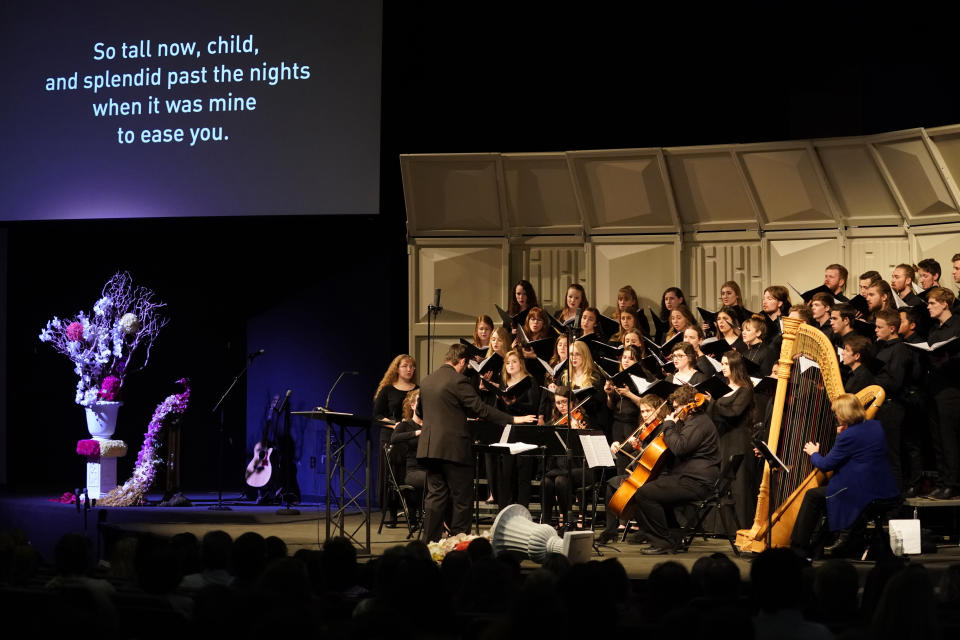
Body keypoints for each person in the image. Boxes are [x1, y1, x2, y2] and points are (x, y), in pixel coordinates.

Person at [416, 344, 536, 542]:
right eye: (467, 365)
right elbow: (481, 409)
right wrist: (513, 419)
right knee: (462, 499)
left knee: (435, 497)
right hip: (454, 449)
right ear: (462, 361)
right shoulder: (459, 380)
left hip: (429, 448)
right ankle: (458, 545)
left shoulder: (427, 380)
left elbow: (421, 412)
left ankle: (428, 545)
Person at [595, 385, 721, 553]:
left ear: (688, 405)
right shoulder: (693, 422)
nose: (675, 412)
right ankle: (673, 536)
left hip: (696, 482)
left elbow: (679, 447)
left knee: (643, 494)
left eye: (676, 408)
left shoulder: (698, 423)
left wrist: (668, 424)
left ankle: (664, 541)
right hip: (689, 478)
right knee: (648, 491)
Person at [790, 394, 899, 558]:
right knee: (826, 495)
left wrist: (814, 453)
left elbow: (826, 464)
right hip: (885, 488)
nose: (835, 417)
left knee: (812, 496)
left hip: (863, 491)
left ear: (843, 414)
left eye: (836, 413)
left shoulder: (848, 436)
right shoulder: (875, 427)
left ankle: (799, 548)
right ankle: (819, 545)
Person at [706, 351, 757, 530]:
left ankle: (741, 527)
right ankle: (721, 528)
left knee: (739, 485)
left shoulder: (745, 390)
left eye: (726, 364)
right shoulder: (722, 389)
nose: (723, 367)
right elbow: (713, 415)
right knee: (723, 483)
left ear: (735, 366)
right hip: (722, 439)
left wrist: (713, 402)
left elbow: (733, 413)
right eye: (722, 363)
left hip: (738, 440)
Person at [923, 287, 960, 499]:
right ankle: (943, 480)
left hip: (952, 389)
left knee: (949, 439)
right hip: (934, 388)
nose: (928, 307)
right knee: (937, 439)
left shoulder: (957, 325)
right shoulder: (934, 330)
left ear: (944, 303)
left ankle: (952, 483)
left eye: (931, 303)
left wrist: (946, 359)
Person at [373, 354, 418, 525]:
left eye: (412, 366)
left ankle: (413, 513)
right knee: (391, 474)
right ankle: (392, 513)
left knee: (410, 473)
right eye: (405, 366)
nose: (409, 369)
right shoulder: (387, 390)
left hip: (412, 437)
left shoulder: (417, 389)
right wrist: (396, 425)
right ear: (397, 369)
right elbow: (377, 416)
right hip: (390, 436)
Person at [496, 350, 541, 509]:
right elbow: (499, 409)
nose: (511, 365)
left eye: (514, 361)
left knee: (523, 472)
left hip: (525, 429)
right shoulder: (503, 383)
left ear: (521, 363)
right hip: (508, 430)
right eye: (507, 363)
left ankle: (522, 509)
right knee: (506, 472)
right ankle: (505, 510)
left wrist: (514, 404)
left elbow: (533, 407)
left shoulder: (530, 381)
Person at [390, 389, 427, 517]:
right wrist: (418, 432)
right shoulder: (405, 425)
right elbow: (394, 438)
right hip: (413, 471)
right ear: (412, 405)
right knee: (435, 480)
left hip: (430, 469)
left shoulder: (430, 425)